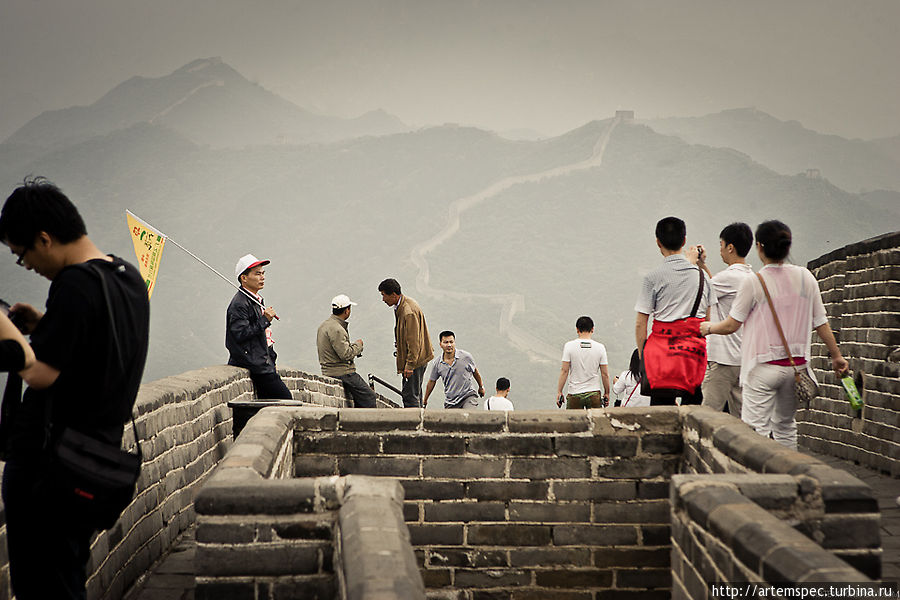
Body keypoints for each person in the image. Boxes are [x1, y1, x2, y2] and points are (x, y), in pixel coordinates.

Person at [0, 178, 150, 600]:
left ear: (44, 239)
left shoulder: (74, 284)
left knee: (43, 586)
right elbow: (95, 351)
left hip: (48, 469)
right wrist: (46, 325)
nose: (26, 266)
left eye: (21, 254)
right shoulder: (125, 277)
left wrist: (9, 333)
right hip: (92, 459)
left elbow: (41, 373)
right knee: (65, 577)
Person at [701, 220, 848, 449]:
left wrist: (708, 328)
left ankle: (757, 478)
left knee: (753, 429)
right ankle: (789, 474)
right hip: (796, 367)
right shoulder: (805, 277)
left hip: (761, 367)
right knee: (786, 426)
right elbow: (821, 322)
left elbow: (731, 325)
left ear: (759, 247)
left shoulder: (755, 281)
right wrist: (837, 356)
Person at [635, 216, 716, 406]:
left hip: (660, 357)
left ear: (658, 242)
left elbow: (641, 323)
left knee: (661, 412)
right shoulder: (702, 277)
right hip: (692, 355)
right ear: (684, 240)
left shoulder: (652, 277)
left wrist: (642, 356)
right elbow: (708, 320)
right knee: (694, 410)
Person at [693, 223, 754, 417]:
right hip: (745, 360)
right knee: (743, 420)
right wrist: (702, 266)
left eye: (721, 245)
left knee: (708, 417)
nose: (719, 250)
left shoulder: (728, 278)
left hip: (723, 359)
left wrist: (690, 262)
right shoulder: (751, 277)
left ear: (730, 247)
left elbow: (701, 291)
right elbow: (715, 287)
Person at [225, 254, 292, 400]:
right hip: (257, 367)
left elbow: (263, 338)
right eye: (257, 274)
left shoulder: (254, 300)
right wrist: (265, 319)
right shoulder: (240, 304)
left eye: (263, 273)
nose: (262, 277)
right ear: (244, 278)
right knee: (287, 402)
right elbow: (240, 334)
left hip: (263, 365)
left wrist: (271, 357)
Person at [378, 278, 433, 408]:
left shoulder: (408, 311)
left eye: (384, 295)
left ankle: (414, 424)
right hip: (418, 358)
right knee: (415, 393)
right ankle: (421, 420)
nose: (383, 299)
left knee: (409, 396)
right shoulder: (401, 306)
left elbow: (414, 342)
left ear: (393, 294)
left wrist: (410, 365)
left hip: (416, 360)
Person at [316, 294, 377, 408]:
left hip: (328, 371)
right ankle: (366, 424)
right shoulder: (337, 329)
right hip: (342, 373)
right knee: (369, 396)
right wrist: (358, 345)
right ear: (347, 311)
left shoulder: (324, 326)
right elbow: (345, 354)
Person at [556, 316, 611, 409]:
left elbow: (564, 371)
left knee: (574, 423)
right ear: (592, 329)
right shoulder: (600, 347)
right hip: (594, 392)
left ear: (577, 329)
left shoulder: (569, 346)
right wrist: (607, 393)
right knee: (596, 422)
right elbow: (605, 374)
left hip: (574, 393)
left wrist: (559, 392)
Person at [423, 330, 485, 409]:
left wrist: (481, 387)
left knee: (468, 417)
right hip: (451, 401)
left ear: (454, 343)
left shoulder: (466, 357)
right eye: (445, 342)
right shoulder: (438, 363)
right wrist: (425, 400)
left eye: (451, 342)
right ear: (440, 344)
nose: (449, 345)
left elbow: (475, 372)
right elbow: (432, 381)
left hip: (468, 396)